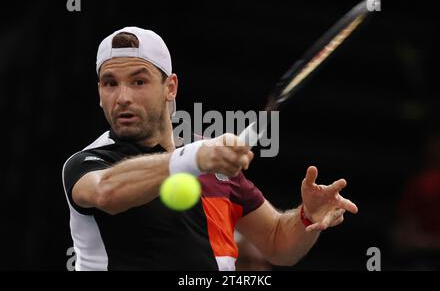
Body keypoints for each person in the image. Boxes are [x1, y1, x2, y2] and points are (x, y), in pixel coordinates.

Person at [62, 26, 358, 271]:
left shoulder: (211, 162)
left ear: (171, 87)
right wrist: (197, 156)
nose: (122, 97)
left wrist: (306, 216)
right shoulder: (87, 163)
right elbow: (106, 192)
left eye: (139, 81)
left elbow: (278, 242)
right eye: (109, 83)